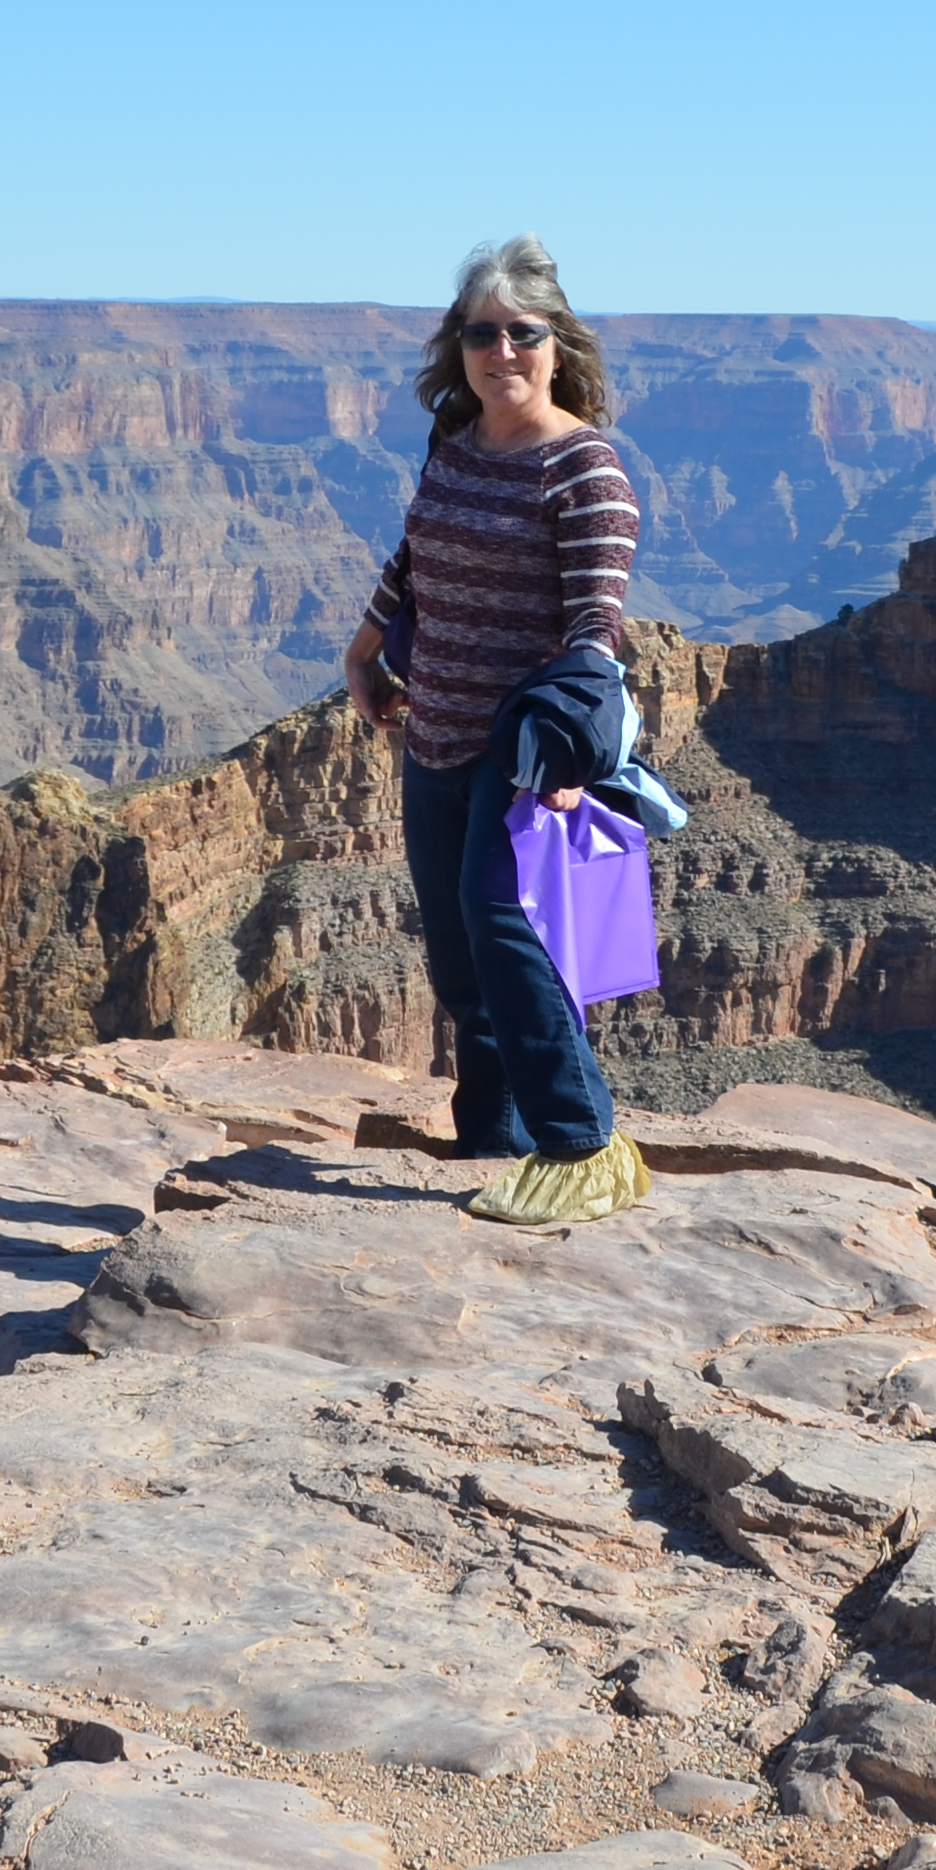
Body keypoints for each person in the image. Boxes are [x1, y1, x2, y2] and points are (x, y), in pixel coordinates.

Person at [345, 234, 653, 1229]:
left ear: (558, 345)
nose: (501, 351)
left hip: (516, 753)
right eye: (480, 332)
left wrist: (560, 755)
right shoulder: (455, 446)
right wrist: (363, 651)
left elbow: (593, 624)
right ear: (458, 347)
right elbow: (415, 555)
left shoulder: (585, 471)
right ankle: (492, 1142)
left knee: (504, 926)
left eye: (522, 332)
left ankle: (584, 1148)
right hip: (429, 726)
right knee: (458, 963)